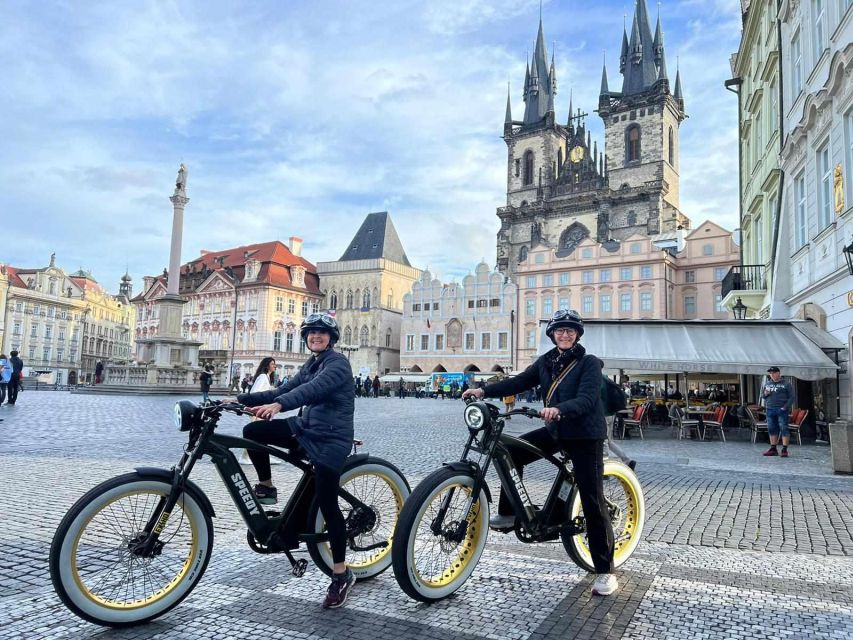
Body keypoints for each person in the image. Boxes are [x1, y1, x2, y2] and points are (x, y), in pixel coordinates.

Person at [462, 309, 617, 597]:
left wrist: (559, 409)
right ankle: (509, 513)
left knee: (592, 498)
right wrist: (483, 391)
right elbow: (518, 382)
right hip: (557, 431)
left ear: (578, 334)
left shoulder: (589, 363)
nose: (565, 334)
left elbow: (586, 399)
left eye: (571, 330)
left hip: (585, 436)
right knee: (511, 450)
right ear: (553, 335)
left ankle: (605, 570)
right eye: (560, 330)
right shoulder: (546, 362)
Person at [238, 313, 356, 608]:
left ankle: (341, 575)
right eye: (311, 332)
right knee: (253, 430)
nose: (315, 336)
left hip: (330, 440)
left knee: (328, 505)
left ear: (331, 338)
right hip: (305, 429)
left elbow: (309, 391)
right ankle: (266, 486)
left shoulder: (337, 364)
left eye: (322, 332)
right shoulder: (312, 364)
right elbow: (283, 389)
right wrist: (239, 400)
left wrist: (279, 405)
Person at [762, 367, 794, 458]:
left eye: (773, 373)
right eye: (770, 373)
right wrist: (765, 394)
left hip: (781, 409)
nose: (772, 375)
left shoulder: (786, 384)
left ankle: (784, 449)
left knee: (784, 428)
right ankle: (773, 448)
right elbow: (763, 396)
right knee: (772, 428)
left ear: (779, 373)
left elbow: (792, 398)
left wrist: (785, 407)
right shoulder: (768, 384)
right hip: (770, 409)